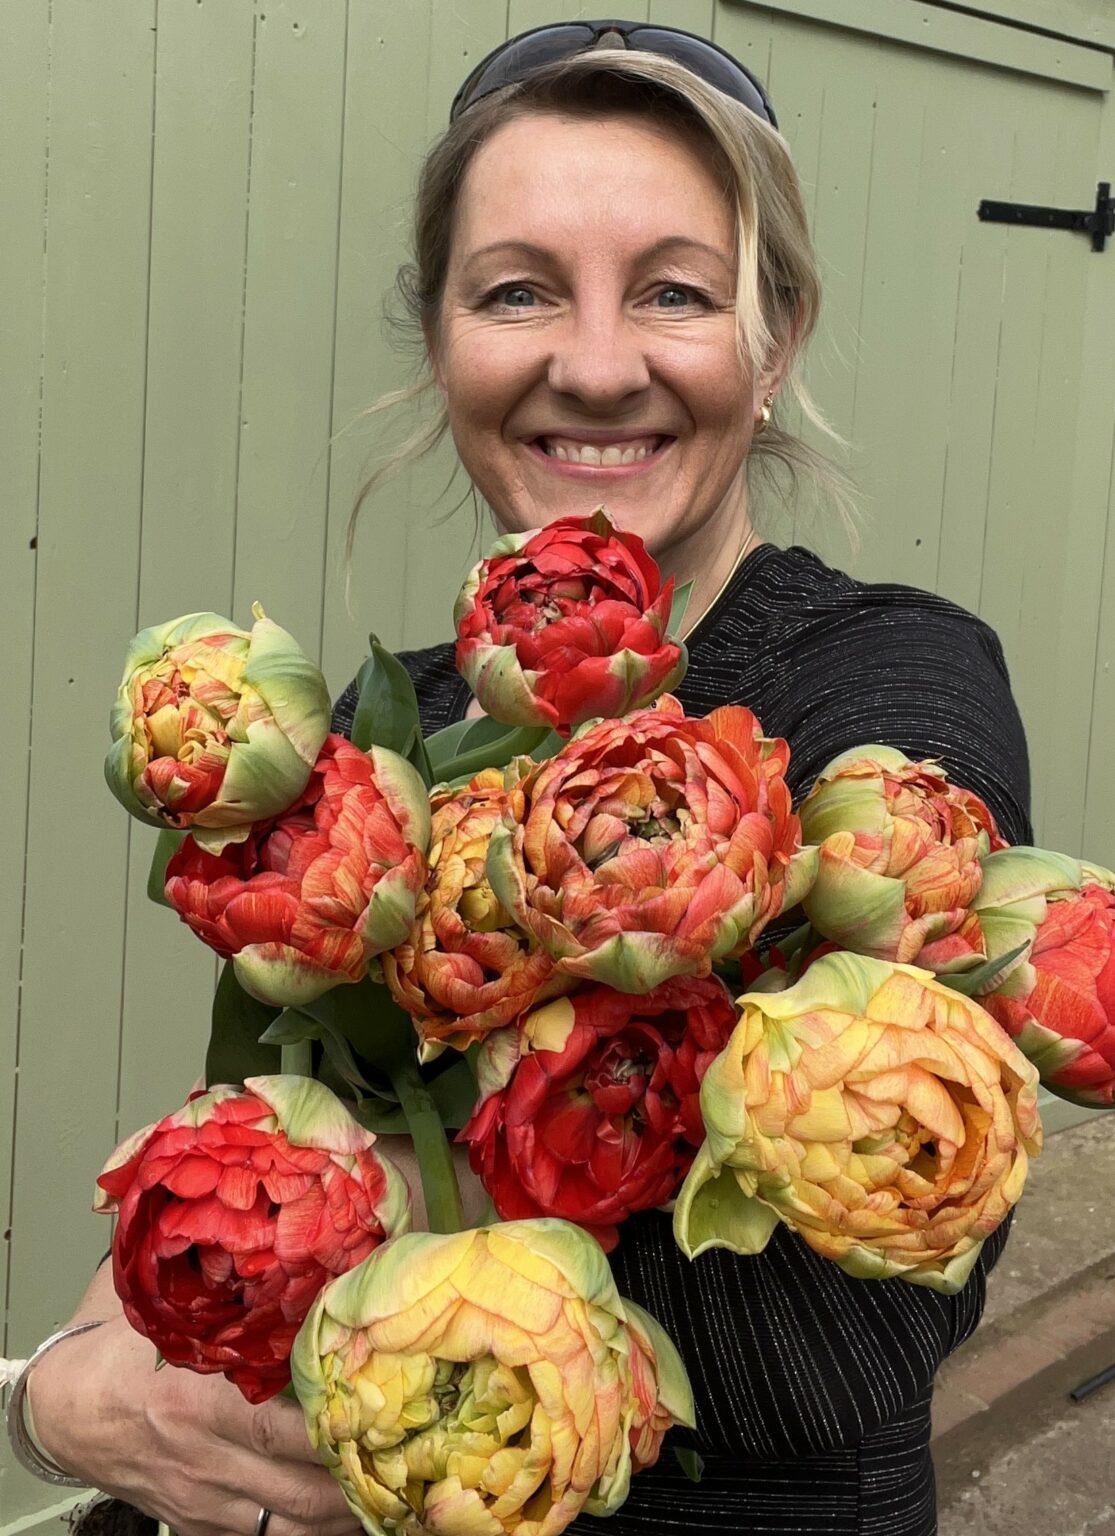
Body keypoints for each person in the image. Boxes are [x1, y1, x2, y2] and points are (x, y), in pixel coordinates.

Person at [24, 20, 1031, 1536]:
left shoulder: (892, 690)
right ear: (442, 342)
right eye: (517, 291)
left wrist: (345, 1203)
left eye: (676, 291)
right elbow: (226, 1179)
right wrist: (52, 1400)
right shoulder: (378, 741)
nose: (598, 365)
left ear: (775, 344)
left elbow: (831, 1343)